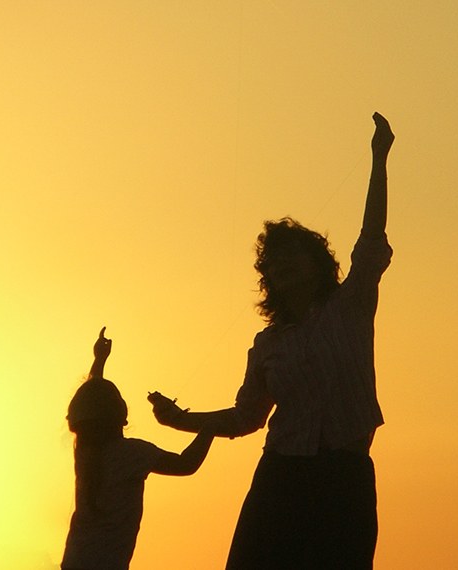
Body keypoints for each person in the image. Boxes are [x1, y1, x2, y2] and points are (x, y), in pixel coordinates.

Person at [149, 112, 395, 569]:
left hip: (344, 477)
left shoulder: (351, 305)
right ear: (269, 279)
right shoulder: (267, 345)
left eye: (292, 254)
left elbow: (371, 238)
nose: (283, 264)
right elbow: (246, 417)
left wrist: (379, 160)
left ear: (317, 262)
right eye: (274, 261)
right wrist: (180, 420)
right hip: (281, 477)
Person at [61, 327, 215, 570]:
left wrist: (99, 360)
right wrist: (209, 427)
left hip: (74, 562)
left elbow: (93, 400)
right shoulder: (133, 454)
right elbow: (186, 464)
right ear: (121, 416)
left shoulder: (84, 453)